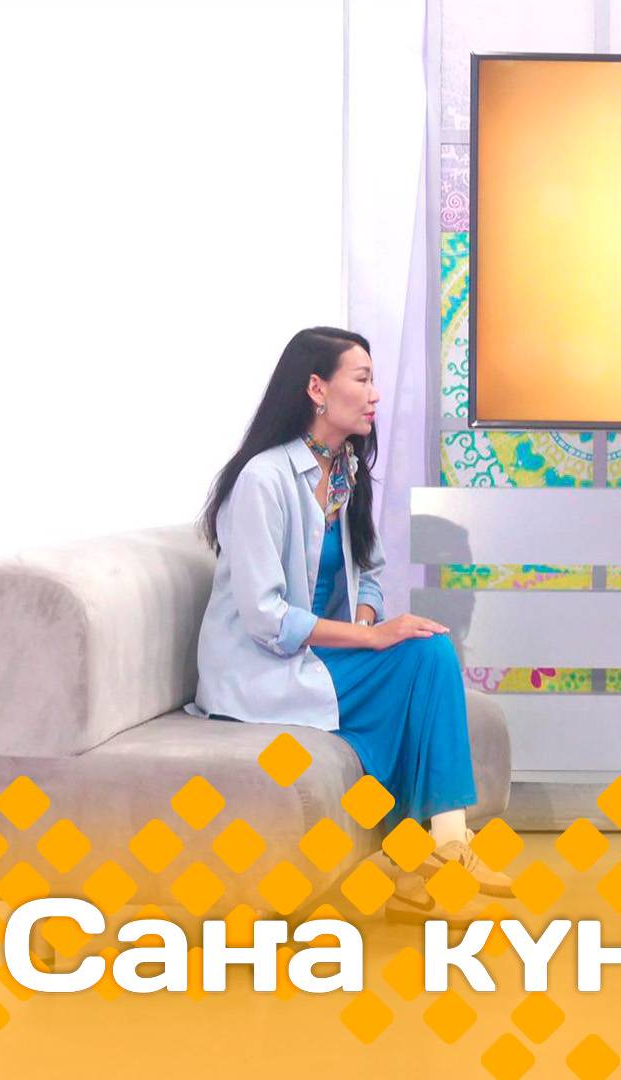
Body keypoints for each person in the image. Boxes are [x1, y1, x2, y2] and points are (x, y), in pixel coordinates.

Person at [194, 326, 509, 913]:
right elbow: (265, 618)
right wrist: (369, 636)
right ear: (317, 388)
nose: (374, 395)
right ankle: (438, 849)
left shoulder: (345, 472)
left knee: (425, 649)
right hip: (261, 668)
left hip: (319, 654)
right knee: (425, 655)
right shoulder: (263, 479)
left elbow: (369, 572)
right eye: (362, 379)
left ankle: (426, 861)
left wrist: (368, 625)